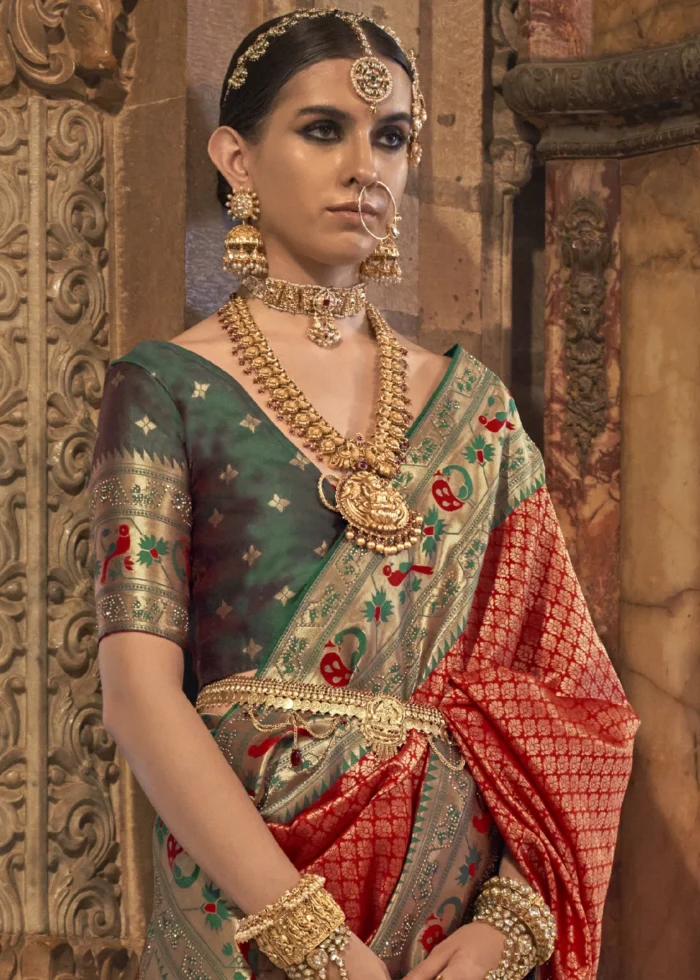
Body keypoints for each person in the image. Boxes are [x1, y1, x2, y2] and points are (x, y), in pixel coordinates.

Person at [89, 9, 639, 980]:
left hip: (450, 914)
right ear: (237, 158)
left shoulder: (478, 412)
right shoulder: (165, 385)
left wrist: (510, 919)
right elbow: (138, 692)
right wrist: (303, 930)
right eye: (321, 129)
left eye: (390, 137)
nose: (365, 165)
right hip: (248, 912)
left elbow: (565, 699)